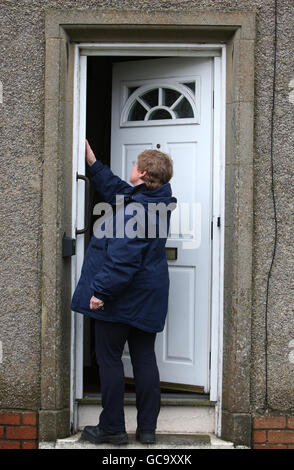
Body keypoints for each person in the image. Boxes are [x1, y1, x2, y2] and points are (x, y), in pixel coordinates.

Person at [71, 140, 177, 445]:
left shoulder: (136, 213)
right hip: (147, 300)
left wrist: (100, 292)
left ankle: (113, 428)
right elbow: (118, 189)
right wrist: (93, 162)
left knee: (109, 359)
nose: (130, 168)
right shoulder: (153, 200)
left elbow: (123, 261)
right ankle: (146, 431)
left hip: (122, 300)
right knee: (144, 359)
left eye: (134, 164)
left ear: (142, 173)